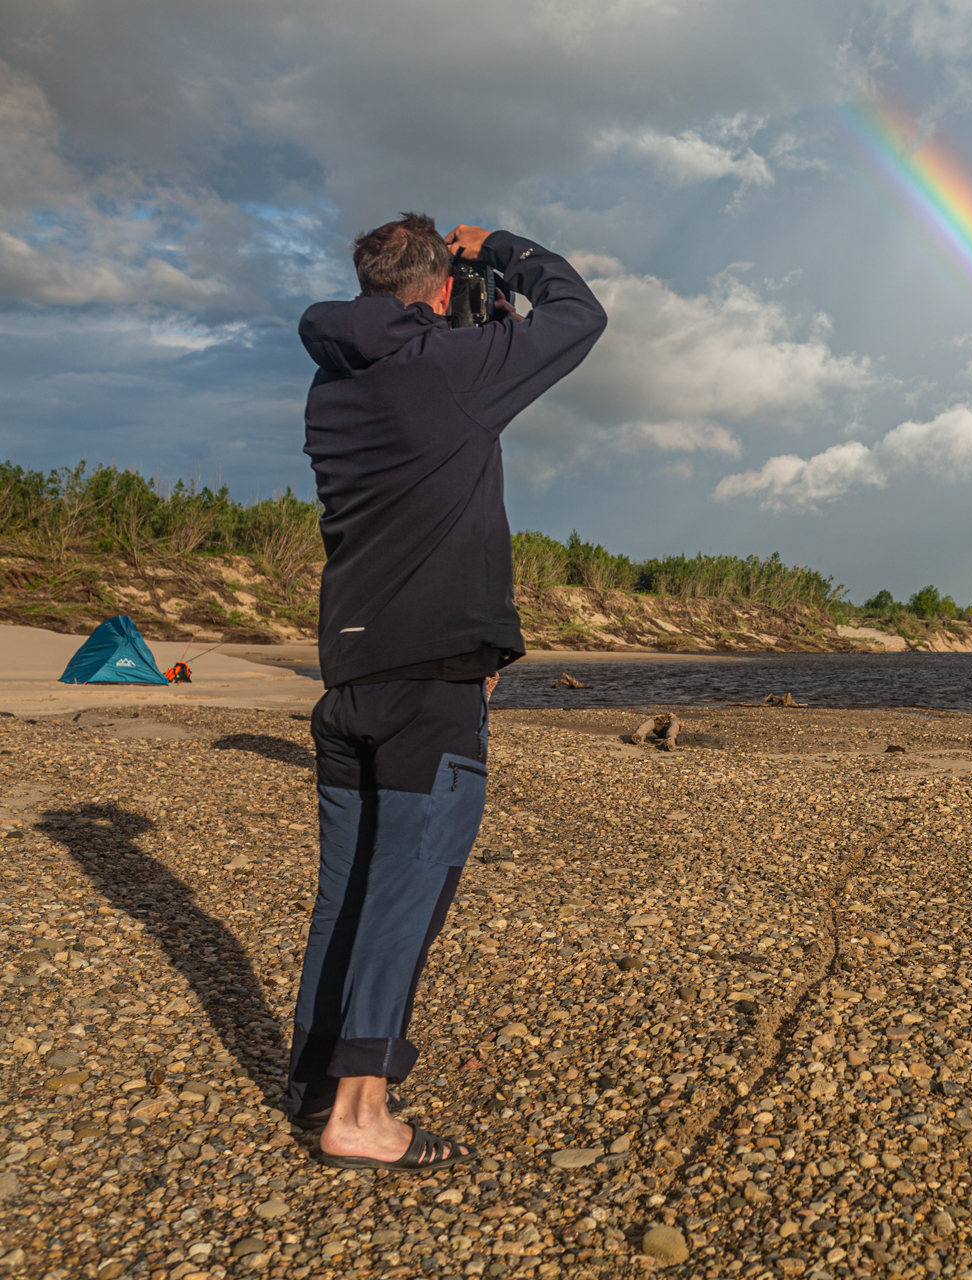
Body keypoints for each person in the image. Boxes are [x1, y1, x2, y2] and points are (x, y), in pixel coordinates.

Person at [283, 212, 606, 1171]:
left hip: (348, 676)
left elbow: (416, 374)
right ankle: (360, 1114)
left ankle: (313, 1081)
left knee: (345, 892)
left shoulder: (330, 383)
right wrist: (498, 247)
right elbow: (578, 316)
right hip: (431, 683)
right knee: (406, 893)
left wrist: (456, 299)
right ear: (434, 287)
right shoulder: (453, 372)